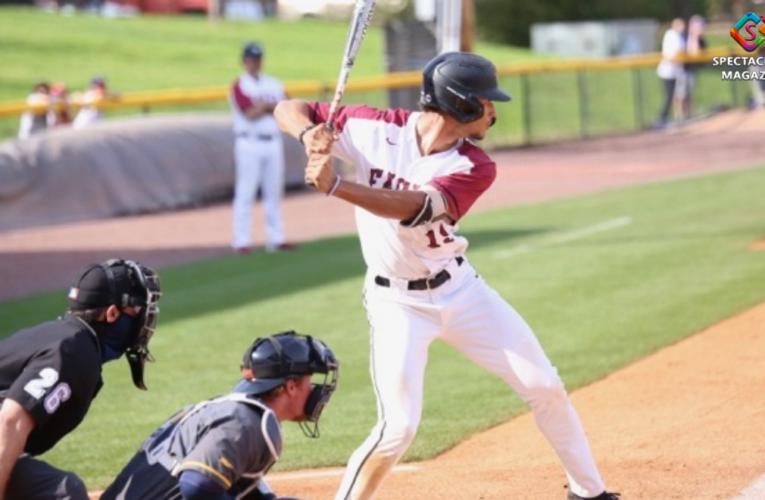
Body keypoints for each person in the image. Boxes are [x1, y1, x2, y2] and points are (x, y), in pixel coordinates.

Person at [274, 51, 620, 500]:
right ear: (461, 104)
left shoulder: (474, 166)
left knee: (544, 385)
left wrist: (337, 185)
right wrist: (308, 134)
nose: (493, 111)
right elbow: (289, 107)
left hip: (462, 293)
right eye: (487, 101)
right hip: (396, 303)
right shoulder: (375, 128)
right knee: (398, 428)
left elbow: (414, 208)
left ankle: (588, 492)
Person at [100, 331, 339, 500]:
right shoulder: (245, 421)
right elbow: (197, 487)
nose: (315, 390)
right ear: (291, 386)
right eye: (310, 381)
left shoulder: (231, 411)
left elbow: (231, 479)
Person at [0, 258, 162, 500]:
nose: (144, 319)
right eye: (138, 310)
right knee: (66, 491)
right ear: (112, 313)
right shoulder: (75, 350)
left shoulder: (64, 336)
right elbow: (11, 421)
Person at [230, 41, 296, 255]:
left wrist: (266, 107)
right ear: (243, 61)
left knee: (274, 192)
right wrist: (269, 106)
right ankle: (241, 240)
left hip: (272, 142)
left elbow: (288, 108)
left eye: (257, 59)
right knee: (246, 192)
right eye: (250, 59)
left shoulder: (274, 83)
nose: (254, 63)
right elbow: (249, 113)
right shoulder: (240, 84)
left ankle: (276, 238)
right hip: (249, 141)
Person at [655, 18, 686, 127]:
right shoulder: (672, 35)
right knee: (669, 95)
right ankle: (662, 118)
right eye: (680, 26)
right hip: (667, 70)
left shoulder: (677, 36)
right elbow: (678, 52)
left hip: (674, 71)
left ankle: (675, 117)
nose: (682, 28)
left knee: (675, 95)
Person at [678, 15, 708, 120]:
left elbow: (698, 54)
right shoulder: (683, 36)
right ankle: (681, 116)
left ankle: (690, 114)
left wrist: (696, 37)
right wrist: (693, 36)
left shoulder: (701, 40)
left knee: (690, 92)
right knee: (681, 94)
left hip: (692, 69)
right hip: (681, 69)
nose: (700, 29)